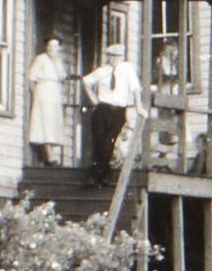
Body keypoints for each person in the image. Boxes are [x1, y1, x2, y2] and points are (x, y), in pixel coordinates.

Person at [82, 34, 143, 175]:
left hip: (118, 110)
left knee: (110, 141)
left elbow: (135, 89)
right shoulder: (102, 71)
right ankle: (98, 174)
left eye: (118, 56)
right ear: (107, 56)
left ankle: (102, 173)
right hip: (102, 109)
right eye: (111, 56)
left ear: (122, 57)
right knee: (99, 141)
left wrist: (139, 106)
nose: (114, 59)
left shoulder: (127, 69)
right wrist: (94, 101)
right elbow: (86, 82)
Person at [22, 37, 76, 170]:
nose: (52, 49)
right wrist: (35, 94)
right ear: (47, 47)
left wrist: (57, 63)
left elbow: (62, 76)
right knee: (44, 123)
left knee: (53, 122)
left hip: (54, 92)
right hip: (43, 91)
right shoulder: (41, 59)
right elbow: (32, 78)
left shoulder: (58, 61)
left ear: (59, 48)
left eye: (55, 46)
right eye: (50, 46)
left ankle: (52, 156)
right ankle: (50, 156)